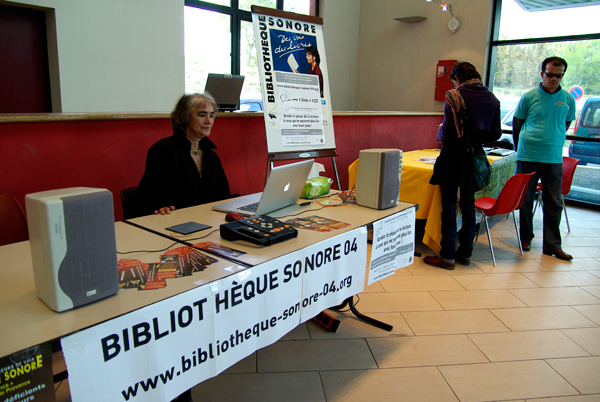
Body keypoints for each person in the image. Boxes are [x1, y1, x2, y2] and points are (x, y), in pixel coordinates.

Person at [424, 61, 501, 270]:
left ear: (456, 78)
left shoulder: (454, 95)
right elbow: (495, 134)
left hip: (452, 157)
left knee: (449, 206)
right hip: (474, 157)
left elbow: (447, 132)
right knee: (468, 205)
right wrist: (474, 139)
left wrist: (440, 131)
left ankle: (447, 256)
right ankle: (465, 253)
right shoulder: (492, 99)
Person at [512, 57, 576, 260]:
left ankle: (552, 245)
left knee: (554, 202)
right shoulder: (529, 97)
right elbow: (517, 125)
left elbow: (564, 125)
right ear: (542, 74)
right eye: (550, 74)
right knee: (525, 199)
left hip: (553, 157)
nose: (554, 79)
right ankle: (525, 238)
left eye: (559, 76)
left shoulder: (568, 99)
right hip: (529, 155)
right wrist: (521, 148)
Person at [136, 93, 231, 216]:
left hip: (210, 221)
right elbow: (148, 196)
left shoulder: (212, 156)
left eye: (211, 116)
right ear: (185, 117)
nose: (209, 121)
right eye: (202, 115)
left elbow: (224, 197)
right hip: (175, 222)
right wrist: (159, 207)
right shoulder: (163, 150)